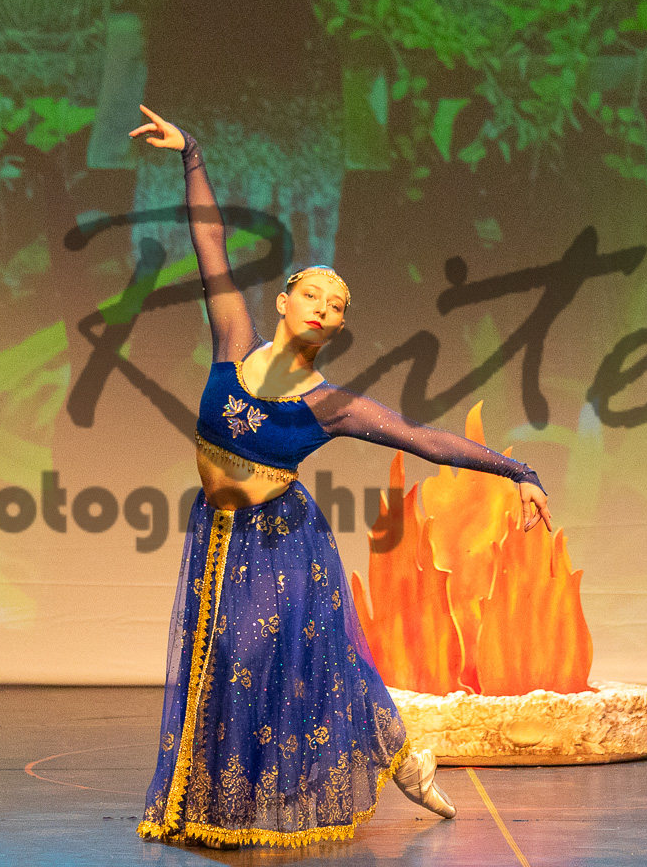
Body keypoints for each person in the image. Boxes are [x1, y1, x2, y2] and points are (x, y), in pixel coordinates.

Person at [129, 105, 554, 849]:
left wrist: (519, 467)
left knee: (288, 661)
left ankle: (400, 758)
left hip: (282, 541)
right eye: (313, 295)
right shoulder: (233, 342)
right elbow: (210, 242)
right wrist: (191, 151)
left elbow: (424, 439)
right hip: (217, 535)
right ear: (283, 301)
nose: (323, 309)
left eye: (337, 307)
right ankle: (226, 802)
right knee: (221, 662)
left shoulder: (330, 405)